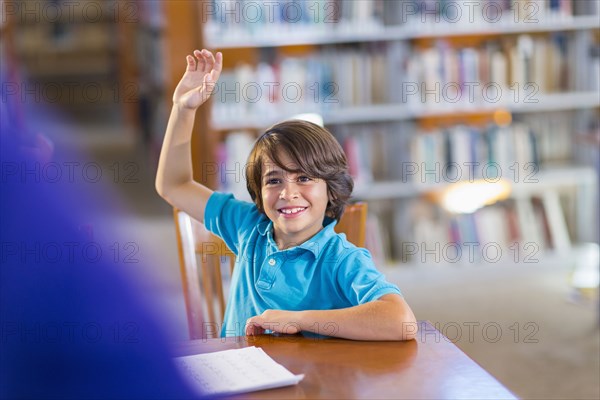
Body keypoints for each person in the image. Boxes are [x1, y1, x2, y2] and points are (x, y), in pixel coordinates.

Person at [156, 49, 417, 341]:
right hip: (241, 375)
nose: (288, 192)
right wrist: (183, 109)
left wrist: (298, 320)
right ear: (259, 191)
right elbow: (174, 185)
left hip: (310, 383)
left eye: (304, 178)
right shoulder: (248, 226)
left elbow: (401, 321)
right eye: (274, 180)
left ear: (331, 187)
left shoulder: (342, 258)